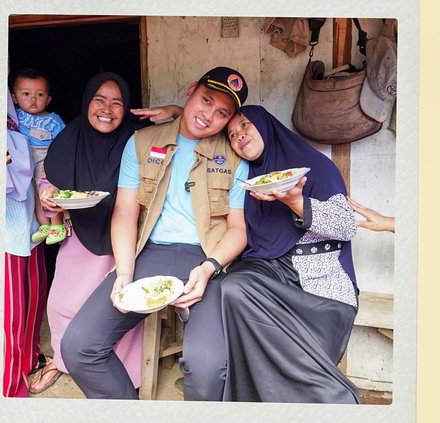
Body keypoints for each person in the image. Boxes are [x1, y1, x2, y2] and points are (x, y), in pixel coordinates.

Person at [60, 66, 250, 400]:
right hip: (150, 254)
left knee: (206, 366)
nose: (208, 116)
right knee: (79, 345)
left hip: (209, 260)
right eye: (205, 100)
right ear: (191, 90)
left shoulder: (236, 154)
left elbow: (238, 228)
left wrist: (209, 268)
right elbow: (124, 212)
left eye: (222, 113)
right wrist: (124, 272)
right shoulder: (142, 142)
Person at [27, 71, 181, 395]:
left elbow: (186, 136)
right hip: (80, 235)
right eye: (100, 100)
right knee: (60, 305)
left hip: (126, 243)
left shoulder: (140, 138)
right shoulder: (70, 138)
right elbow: (49, 182)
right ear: (87, 103)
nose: (107, 109)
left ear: (127, 109)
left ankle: (121, 376)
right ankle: (63, 360)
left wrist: (178, 111)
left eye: (117, 102)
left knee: (117, 308)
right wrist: (47, 193)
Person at [220, 105, 360, 403]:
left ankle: (333, 398)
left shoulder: (313, 167)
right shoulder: (249, 181)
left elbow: (347, 225)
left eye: (244, 125)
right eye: (232, 135)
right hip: (272, 273)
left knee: (240, 291)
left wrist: (298, 203)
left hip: (320, 288)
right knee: (232, 286)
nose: (239, 136)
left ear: (265, 125)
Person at [4, 89, 48, 397]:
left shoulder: (18, 121)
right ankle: (9, 386)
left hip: (29, 217)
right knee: (10, 310)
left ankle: (29, 359)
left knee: (33, 295)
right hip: (3, 224)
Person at [10, 69, 67, 245]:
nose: (33, 100)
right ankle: (44, 225)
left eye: (40, 94)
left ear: (48, 99)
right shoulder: (14, 117)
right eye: (26, 94)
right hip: (22, 160)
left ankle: (57, 224)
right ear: (13, 98)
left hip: (45, 158)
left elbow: (64, 142)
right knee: (34, 193)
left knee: (48, 190)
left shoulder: (53, 120)